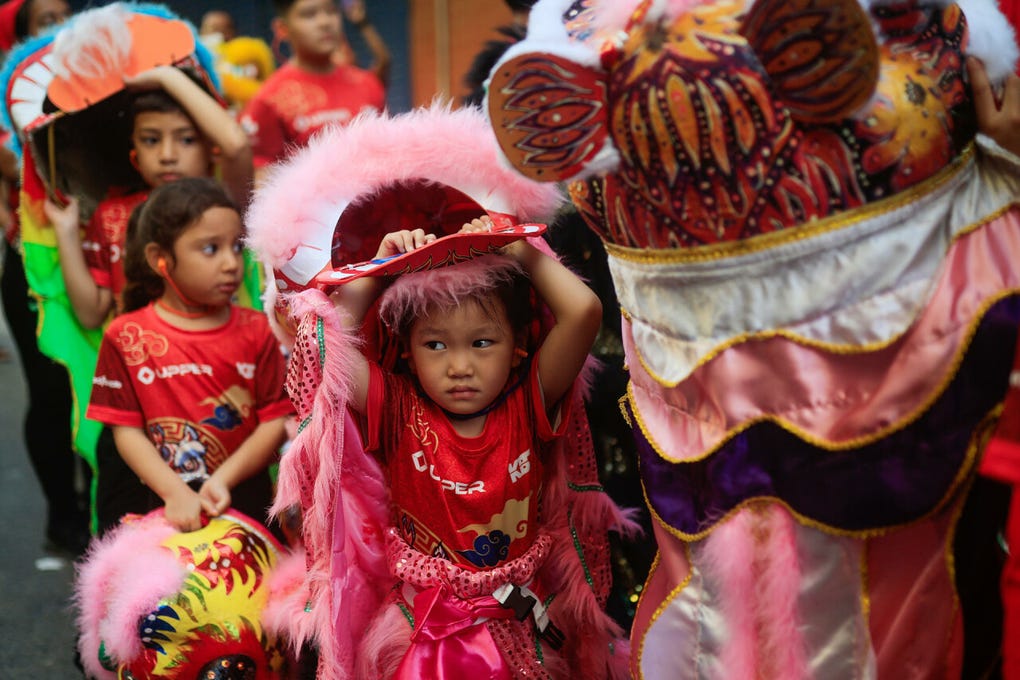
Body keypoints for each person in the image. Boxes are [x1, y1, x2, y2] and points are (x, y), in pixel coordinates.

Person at [321, 212, 633, 677]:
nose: (459, 366)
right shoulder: (399, 411)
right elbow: (327, 346)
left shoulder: (530, 403)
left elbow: (584, 312)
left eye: (482, 342)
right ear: (407, 350)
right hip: (423, 640)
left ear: (519, 349)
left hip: (521, 633)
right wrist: (382, 268)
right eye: (436, 345)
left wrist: (515, 247)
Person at [84, 177, 291, 534]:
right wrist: (175, 493)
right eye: (211, 249)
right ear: (160, 260)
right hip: (160, 506)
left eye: (236, 247)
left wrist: (223, 480)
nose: (230, 263)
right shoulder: (126, 335)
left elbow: (274, 420)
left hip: (243, 501)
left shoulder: (259, 330)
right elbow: (126, 430)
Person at [47, 64, 253, 329]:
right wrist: (66, 232)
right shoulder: (112, 215)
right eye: (151, 140)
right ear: (134, 149)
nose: (167, 155)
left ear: (211, 148)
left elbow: (236, 145)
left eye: (187, 140)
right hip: (142, 364)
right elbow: (91, 315)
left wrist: (165, 76)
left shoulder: (223, 206)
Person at [0, 0, 83, 556]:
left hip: (93, 259)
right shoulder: (12, 101)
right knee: (52, 393)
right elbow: (14, 164)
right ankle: (63, 512)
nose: (57, 28)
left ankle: (105, 499)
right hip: (32, 265)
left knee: (97, 388)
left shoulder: (91, 85)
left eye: (64, 15)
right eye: (43, 21)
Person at [240, 0, 388, 179]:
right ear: (282, 29)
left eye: (331, 12)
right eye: (309, 15)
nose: (325, 22)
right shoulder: (268, 99)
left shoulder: (368, 84)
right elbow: (262, 180)